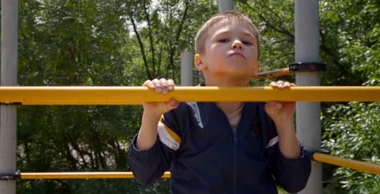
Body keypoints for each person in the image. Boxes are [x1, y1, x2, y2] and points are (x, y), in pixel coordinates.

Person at [129, 10, 311, 193]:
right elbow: (145, 173)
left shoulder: (268, 109)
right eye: (223, 40)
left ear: (256, 67)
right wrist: (151, 116)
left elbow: (294, 182)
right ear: (200, 62)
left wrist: (284, 122)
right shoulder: (181, 109)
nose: (238, 44)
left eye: (247, 42)